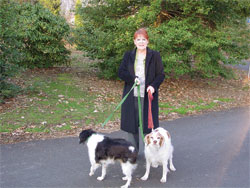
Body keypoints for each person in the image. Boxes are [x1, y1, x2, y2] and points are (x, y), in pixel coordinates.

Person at [118, 28, 165, 152]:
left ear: (147, 41)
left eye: (143, 39)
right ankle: (132, 152)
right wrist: (133, 79)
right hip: (132, 95)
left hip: (148, 96)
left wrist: (153, 86)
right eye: (138, 39)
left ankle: (151, 152)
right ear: (134, 41)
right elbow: (121, 72)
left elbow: (160, 75)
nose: (141, 42)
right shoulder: (128, 55)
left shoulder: (155, 55)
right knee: (131, 125)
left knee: (148, 125)